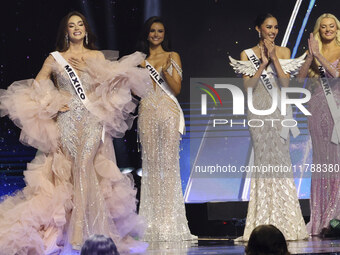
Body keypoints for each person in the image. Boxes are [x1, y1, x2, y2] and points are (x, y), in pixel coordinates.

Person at [0, 11, 151, 254]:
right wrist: (53, 102)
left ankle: (83, 231)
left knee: (84, 166)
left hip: (92, 121)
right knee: (72, 171)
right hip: (67, 121)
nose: (77, 28)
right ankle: (75, 232)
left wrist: (95, 70)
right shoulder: (56, 58)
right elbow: (37, 84)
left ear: (86, 29)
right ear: (66, 32)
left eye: (80, 24)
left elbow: (112, 84)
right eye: (72, 25)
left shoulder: (95, 55)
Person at [229, 13, 308, 241]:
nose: (273, 31)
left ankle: (286, 221)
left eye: (275, 27)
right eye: (268, 27)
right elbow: (248, 87)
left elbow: (285, 85)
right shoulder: (247, 54)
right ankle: (262, 221)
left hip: (280, 111)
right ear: (258, 29)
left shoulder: (283, 52)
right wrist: (262, 63)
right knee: (263, 162)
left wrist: (273, 58)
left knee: (282, 161)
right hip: (258, 110)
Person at [137, 16, 196, 242]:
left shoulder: (173, 56)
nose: (156, 35)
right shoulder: (139, 60)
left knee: (169, 165)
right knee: (150, 166)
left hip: (168, 110)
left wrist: (163, 72)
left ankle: (171, 223)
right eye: (152, 31)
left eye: (160, 31)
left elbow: (177, 88)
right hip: (147, 111)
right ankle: (152, 223)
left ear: (164, 34)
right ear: (147, 34)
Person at [297, 13, 340, 236]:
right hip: (317, 108)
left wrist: (319, 57)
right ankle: (322, 217)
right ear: (318, 30)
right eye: (324, 27)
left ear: (337, 28)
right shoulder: (312, 50)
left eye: (331, 26)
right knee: (322, 162)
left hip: (337, 108)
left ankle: (336, 215)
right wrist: (309, 57)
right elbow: (298, 80)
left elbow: (336, 74)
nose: (328, 30)